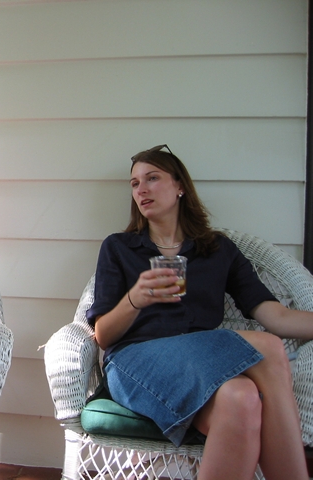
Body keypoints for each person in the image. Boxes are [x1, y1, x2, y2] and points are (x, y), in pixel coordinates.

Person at [86, 144, 313, 480]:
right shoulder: (119, 247)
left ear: (180, 186)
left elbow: (276, 317)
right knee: (266, 347)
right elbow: (104, 337)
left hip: (201, 366)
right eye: (134, 183)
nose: (141, 189)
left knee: (242, 397)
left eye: (152, 178)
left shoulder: (218, 250)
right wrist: (135, 299)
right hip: (134, 364)